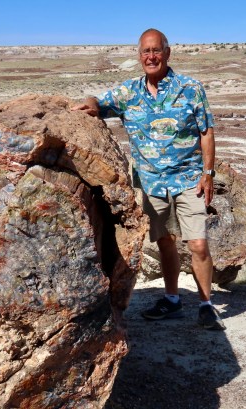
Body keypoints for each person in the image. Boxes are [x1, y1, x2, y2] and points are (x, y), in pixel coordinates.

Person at [73, 28, 225, 330]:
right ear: (139, 55)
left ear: (167, 53)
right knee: (166, 242)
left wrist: (208, 174)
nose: (151, 56)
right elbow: (97, 103)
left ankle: (206, 305)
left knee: (197, 244)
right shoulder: (129, 93)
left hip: (188, 179)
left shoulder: (190, 88)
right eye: (146, 51)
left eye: (156, 50)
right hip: (152, 184)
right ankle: (172, 300)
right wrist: (89, 103)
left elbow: (206, 132)